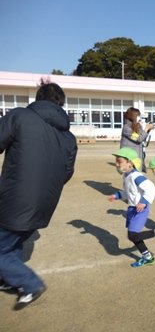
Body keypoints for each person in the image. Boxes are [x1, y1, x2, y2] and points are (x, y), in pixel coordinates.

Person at [0, 82, 77, 310]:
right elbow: (67, 173)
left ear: (38, 98)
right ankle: (9, 279)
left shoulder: (20, 117)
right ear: (60, 103)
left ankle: (30, 283)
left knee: (6, 236)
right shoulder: (69, 138)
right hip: (46, 203)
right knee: (12, 241)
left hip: (15, 199)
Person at [107, 147, 155, 268]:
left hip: (140, 209)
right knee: (133, 236)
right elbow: (129, 192)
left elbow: (150, 188)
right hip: (132, 208)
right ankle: (148, 257)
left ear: (130, 163)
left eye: (119, 161)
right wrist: (117, 195)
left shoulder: (136, 175)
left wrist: (144, 201)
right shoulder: (126, 176)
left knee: (132, 235)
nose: (116, 164)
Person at [120, 107, 153, 172]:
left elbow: (143, 138)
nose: (139, 117)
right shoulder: (126, 128)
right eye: (138, 116)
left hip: (137, 157)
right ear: (132, 116)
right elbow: (139, 139)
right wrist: (146, 129)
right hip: (129, 159)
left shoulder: (137, 126)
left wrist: (148, 130)